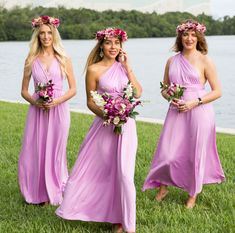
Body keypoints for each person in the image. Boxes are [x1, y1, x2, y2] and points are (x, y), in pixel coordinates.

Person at [56, 28, 142, 233]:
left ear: (121, 46)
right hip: (104, 126)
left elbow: (137, 92)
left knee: (124, 174)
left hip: (127, 126)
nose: (113, 47)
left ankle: (125, 222)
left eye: (117, 43)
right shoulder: (94, 69)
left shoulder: (124, 67)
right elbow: (90, 101)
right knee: (102, 171)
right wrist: (108, 115)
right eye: (109, 43)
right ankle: (107, 214)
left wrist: (128, 67)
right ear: (101, 45)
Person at [142, 19, 225, 208]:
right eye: (185, 35)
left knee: (194, 153)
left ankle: (192, 194)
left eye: (193, 35)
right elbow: (164, 88)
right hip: (176, 110)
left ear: (198, 38)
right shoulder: (171, 61)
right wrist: (169, 96)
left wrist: (194, 102)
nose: (189, 38)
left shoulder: (205, 60)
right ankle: (163, 187)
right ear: (180, 36)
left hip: (199, 111)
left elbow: (217, 91)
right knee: (168, 153)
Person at [18, 15, 76, 205]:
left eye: (49, 32)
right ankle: (38, 190)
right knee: (36, 149)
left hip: (59, 110)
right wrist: (36, 103)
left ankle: (56, 187)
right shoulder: (31, 59)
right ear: (37, 35)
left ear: (54, 34)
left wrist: (56, 101)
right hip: (38, 110)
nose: (45, 36)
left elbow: (73, 89)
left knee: (56, 150)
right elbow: (24, 91)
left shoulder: (64, 58)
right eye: (41, 33)